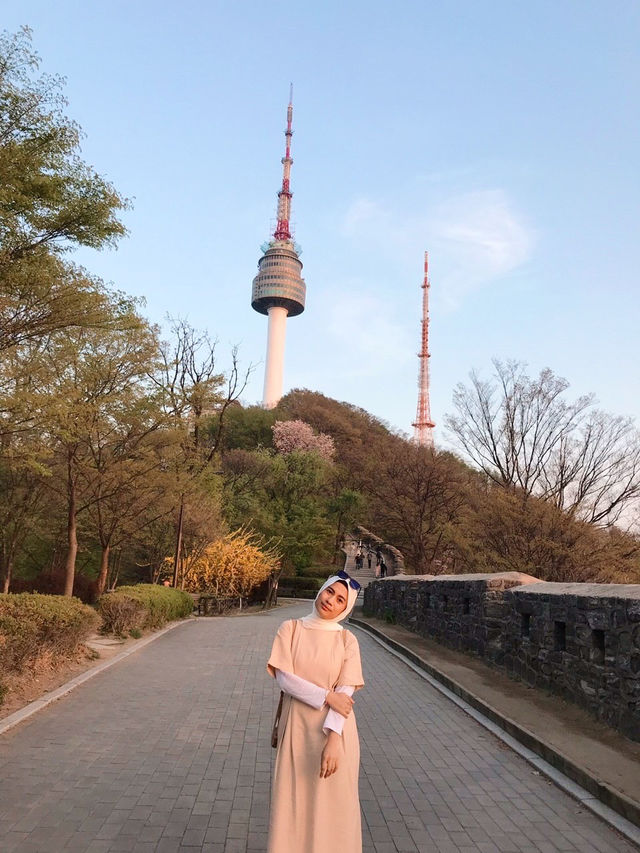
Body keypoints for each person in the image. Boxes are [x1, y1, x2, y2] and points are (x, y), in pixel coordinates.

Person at [266, 572, 364, 853]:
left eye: (340, 599)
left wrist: (333, 741)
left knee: (334, 809)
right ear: (321, 590)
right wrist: (326, 696)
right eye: (329, 592)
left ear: (346, 607)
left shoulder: (348, 640)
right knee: (293, 804)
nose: (331, 600)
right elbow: (284, 678)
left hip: (335, 733)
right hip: (296, 728)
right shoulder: (291, 628)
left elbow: (345, 695)